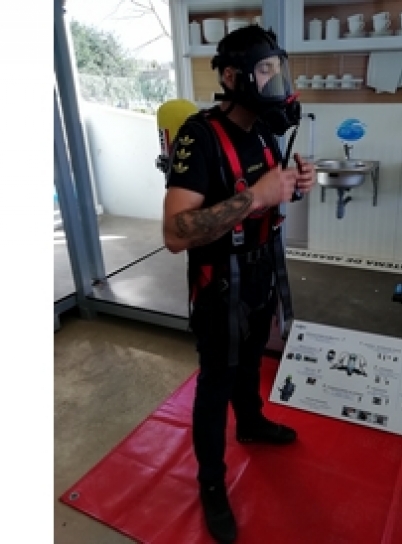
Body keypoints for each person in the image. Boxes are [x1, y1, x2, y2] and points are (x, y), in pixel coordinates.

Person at [162, 25, 315, 544]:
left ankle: (250, 422)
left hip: (261, 271)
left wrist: (293, 184)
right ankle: (210, 481)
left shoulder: (266, 132)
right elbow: (175, 233)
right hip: (220, 285)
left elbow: (271, 192)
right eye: (264, 70)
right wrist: (256, 196)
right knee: (218, 380)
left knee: (251, 360)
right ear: (233, 77)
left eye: (278, 69)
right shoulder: (199, 137)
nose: (276, 81)